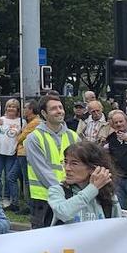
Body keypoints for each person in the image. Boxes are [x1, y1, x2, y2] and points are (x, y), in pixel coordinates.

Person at [24, 94, 79, 229]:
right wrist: (62, 190)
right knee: (44, 245)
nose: (59, 111)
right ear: (44, 113)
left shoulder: (73, 136)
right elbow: (42, 170)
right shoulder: (34, 138)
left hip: (70, 196)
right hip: (44, 200)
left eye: (61, 107)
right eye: (54, 108)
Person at [0, 99, 23, 209]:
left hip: (11, 153)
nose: (11, 108)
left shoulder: (21, 121)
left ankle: (7, 197)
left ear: (18, 109)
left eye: (13, 106)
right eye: (9, 106)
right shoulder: (0, 119)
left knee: (9, 177)